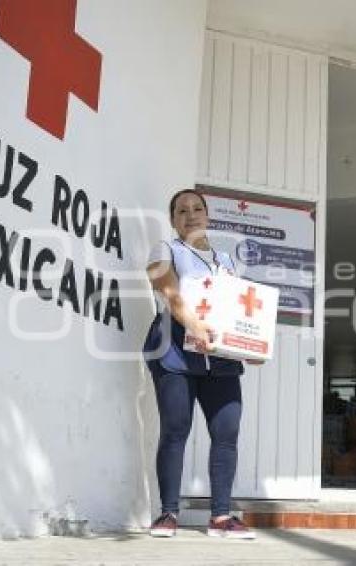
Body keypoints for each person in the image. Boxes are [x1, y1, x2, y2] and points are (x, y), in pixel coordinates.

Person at [143, 189, 261, 540]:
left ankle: (222, 518)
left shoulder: (227, 261)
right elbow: (169, 292)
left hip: (219, 360)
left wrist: (251, 347)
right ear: (173, 220)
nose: (190, 215)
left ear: (208, 216)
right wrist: (193, 325)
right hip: (175, 353)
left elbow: (239, 314)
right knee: (176, 429)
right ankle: (168, 513)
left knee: (227, 433)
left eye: (197, 209)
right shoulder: (165, 250)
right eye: (181, 211)